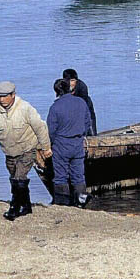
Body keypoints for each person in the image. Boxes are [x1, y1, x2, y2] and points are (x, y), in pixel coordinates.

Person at [0, 81, 52, 221]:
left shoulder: (25, 108)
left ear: (13, 95)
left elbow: (40, 127)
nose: (1, 100)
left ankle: (15, 206)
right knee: (15, 178)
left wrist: (46, 147)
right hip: (9, 152)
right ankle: (26, 206)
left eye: (4, 96)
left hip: (27, 149)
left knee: (19, 178)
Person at [47, 78, 92, 207]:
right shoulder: (81, 102)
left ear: (56, 91)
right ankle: (81, 202)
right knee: (78, 175)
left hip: (61, 144)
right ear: (70, 88)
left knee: (61, 176)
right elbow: (87, 122)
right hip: (77, 143)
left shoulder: (55, 107)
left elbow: (51, 130)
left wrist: (50, 145)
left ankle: (63, 203)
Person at [62, 69, 97, 136]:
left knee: (90, 127)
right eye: (68, 80)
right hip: (71, 108)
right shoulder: (63, 86)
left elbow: (82, 105)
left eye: (72, 80)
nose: (70, 83)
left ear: (76, 80)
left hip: (86, 107)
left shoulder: (82, 87)